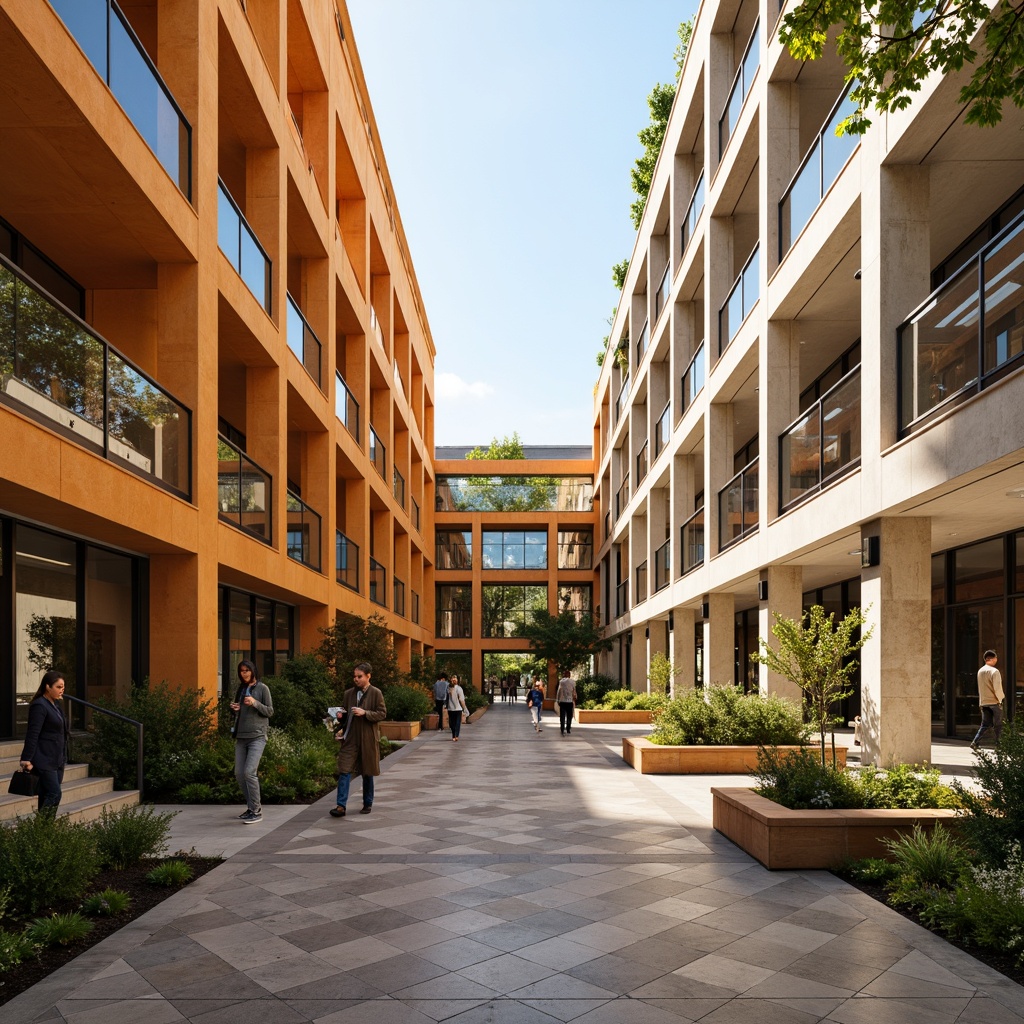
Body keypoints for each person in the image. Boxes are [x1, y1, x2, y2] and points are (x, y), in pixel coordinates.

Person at [332, 662, 386, 816]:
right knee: (344, 770)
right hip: (350, 739)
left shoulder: (376, 693)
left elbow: (382, 713)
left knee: (367, 771)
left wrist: (365, 713)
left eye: (359, 676)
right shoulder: (348, 694)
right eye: (354, 676)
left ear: (368, 676)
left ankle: (367, 803)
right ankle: (340, 806)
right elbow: (344, 716)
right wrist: (339, 723)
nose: (355, 679)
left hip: (368, 738)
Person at [19, 670, 70, 811]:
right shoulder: (40, 705)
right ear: (48, 687)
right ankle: (40, 828)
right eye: (58, 687)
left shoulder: (56, 705)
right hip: (44, 758)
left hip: (57, 758)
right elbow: (33, 733)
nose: (62, 690)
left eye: (63, 687)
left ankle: (46, 831)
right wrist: (26, 758)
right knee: (55, 794)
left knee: (47, 794)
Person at [231, 660, 273, 823]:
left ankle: (256, 810)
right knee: (239, 774)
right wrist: (236, 709)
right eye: (241, 671)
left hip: (257, 736)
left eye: (247, 670)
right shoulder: (241, 689)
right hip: (241, 736)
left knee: (249, 772)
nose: (244, 673)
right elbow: (241, 713)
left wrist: (255, 703)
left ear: (253, 671)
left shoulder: (263, 688)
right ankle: (250, 807)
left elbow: (270, 711)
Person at [971, 649, 1004, 751]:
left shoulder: (980, 671)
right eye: (996, 658)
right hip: (994, 702)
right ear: (993, 659)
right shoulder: (994, 671)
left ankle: (975, 742)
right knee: (998, 725)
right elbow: (997, 688)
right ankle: (999, 745)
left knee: (985, 724)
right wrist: (1000, 699)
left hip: (984, 702)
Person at [447, 674, 469, 742]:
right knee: (456, 723)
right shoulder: (458, 688)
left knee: (452, 723)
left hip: (452, 708)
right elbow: (461, 700)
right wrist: (465, 708)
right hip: (456, 708)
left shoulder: (449, 688)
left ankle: (454, 735)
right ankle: (456, 735)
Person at [556, 671, 577, 736]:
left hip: (562, 701)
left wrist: (558, 700)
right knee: (569, 716)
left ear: (564, 675)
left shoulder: (561, 682)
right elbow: (574, 691)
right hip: (569, 702)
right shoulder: (573, 682)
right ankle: (568, 729)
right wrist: (575, 697)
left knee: (562, 716)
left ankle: (562, 729)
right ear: (569, 675)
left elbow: (559, 691)